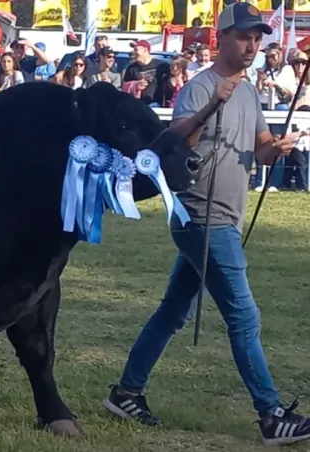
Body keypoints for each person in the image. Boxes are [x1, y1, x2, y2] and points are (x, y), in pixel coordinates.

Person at [103, 3, 310, 447]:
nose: (253, 45)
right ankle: (271, 414)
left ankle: (126, 392)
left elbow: (261, 150)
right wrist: (211, 107)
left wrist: (280, 147)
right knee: (244, 317)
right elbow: (175, 141)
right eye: (244, 37)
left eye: (257, 38)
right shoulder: (200, 88)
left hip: (225, 217)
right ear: (223, 39)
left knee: (172, 312)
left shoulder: (251, 92)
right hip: (202, 217)